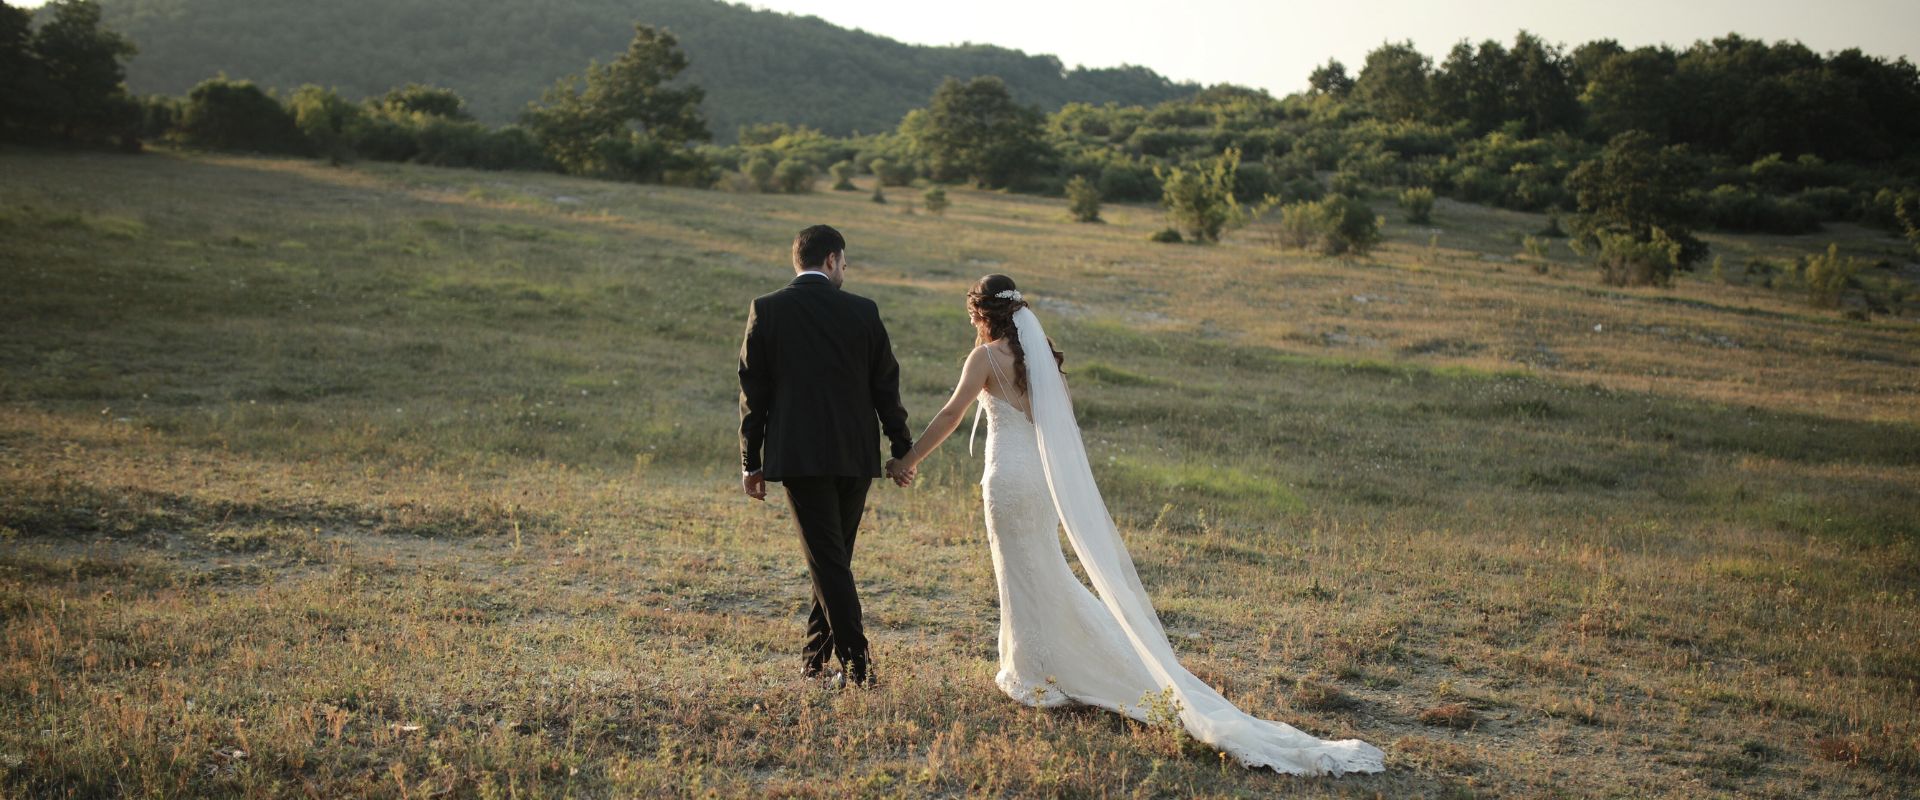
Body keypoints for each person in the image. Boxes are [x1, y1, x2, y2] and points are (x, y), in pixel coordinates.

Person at [890, 274, 1386, 775]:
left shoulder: (984, 359)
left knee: (1023, 572)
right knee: (1042, 569)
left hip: (1005, 483)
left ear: (981, 314)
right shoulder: (1041, 363)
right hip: (1038, 484)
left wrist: (908, 458)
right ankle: (1039, 666)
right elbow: (1055, 430)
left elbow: (951, 414)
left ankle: (1037, 672)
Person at [737, 224, 914, 688]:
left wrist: (749, 462)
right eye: (845, 264)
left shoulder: (767, 310)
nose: (844, 271)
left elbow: (752, 393)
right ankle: (815, 664)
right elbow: (886, 388)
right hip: (855, 456)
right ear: (833, 259)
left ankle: (857, 670)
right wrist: (901, 447)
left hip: (799, 457)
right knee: (832, 559)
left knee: (829, 560)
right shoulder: (863, 311)